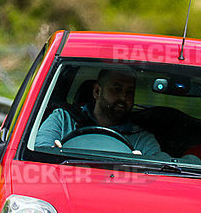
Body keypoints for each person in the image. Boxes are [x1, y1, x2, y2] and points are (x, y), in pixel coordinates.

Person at [35, 67, 164, 157]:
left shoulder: (142, 139)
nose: (123, 97)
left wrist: (142, 165)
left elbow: (161, 167)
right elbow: (37, 154)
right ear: (97, 91)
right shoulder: (63, 119)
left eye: (129, 92)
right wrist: (52, 154)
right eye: (116, 89)